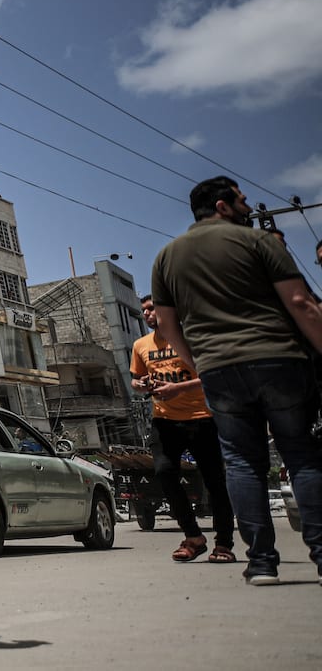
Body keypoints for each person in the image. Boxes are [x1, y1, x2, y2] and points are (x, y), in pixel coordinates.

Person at [151, 175, 322, 587]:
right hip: (278, 359)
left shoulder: (166, 257)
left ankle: (261, 561)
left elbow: (169, 326)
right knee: (300, 455)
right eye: (242, 200)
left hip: (219, 371)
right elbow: (301, 303)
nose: (249, 205)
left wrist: (200, 363)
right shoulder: (260, 243)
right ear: (223, 206)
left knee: (242, 463)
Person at [131, 295, 235, 564]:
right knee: (164, 473)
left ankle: (223, 543)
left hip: (202, 418)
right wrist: (141, 385)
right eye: (143, 311)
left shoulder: (191, 338)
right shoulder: (140, 345)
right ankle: (194, 537)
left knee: (215, 482)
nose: (147, 314)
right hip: (164, 420)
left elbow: (212, 374)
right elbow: (135, 379)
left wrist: (178, 388)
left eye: (152, 308)